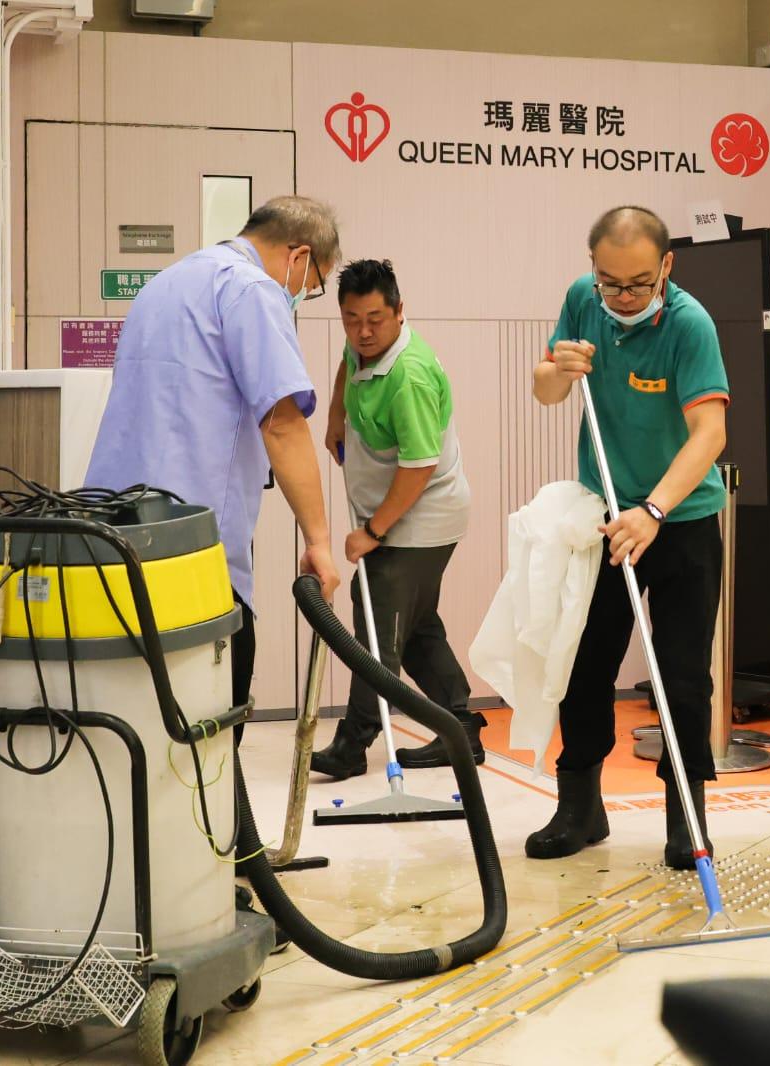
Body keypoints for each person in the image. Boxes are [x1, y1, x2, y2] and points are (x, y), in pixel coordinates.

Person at [84, 195, 344, 943]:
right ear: (299, 258)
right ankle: (202, 895)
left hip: (116, 538)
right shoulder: (255, 291)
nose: (304, 294)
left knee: (147, 723)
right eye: (314, 283)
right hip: (191, 550)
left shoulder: (169, 283)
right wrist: (320, 537)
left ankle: (151, 883)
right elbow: (282, 419)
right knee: (209, 718)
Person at [525, 206, 730, 870]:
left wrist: (656, 510)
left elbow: (709, 434)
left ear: (666, 267)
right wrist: (561, 367)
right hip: (605, 515)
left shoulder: (690, 326)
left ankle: (686, 813)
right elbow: (545, 392)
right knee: (583, 666)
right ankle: (580, 808)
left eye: (639, 284)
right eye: (610, 283)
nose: (623, 297)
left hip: (679, 521)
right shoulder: (583, 302)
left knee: (680, 675)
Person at [309, 259, 484, 778]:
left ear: (400, 312)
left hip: (419, 521)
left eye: (376, 320)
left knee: (377, 635)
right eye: (351, 319)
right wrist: (337, 411)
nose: (363, 332)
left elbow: (419, 466)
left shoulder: (409, 375)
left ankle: (351, 746)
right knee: (418, 627)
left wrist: (372, 531)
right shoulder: (362, 343)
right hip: (396, 518)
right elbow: (347, 360)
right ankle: (461, 728)